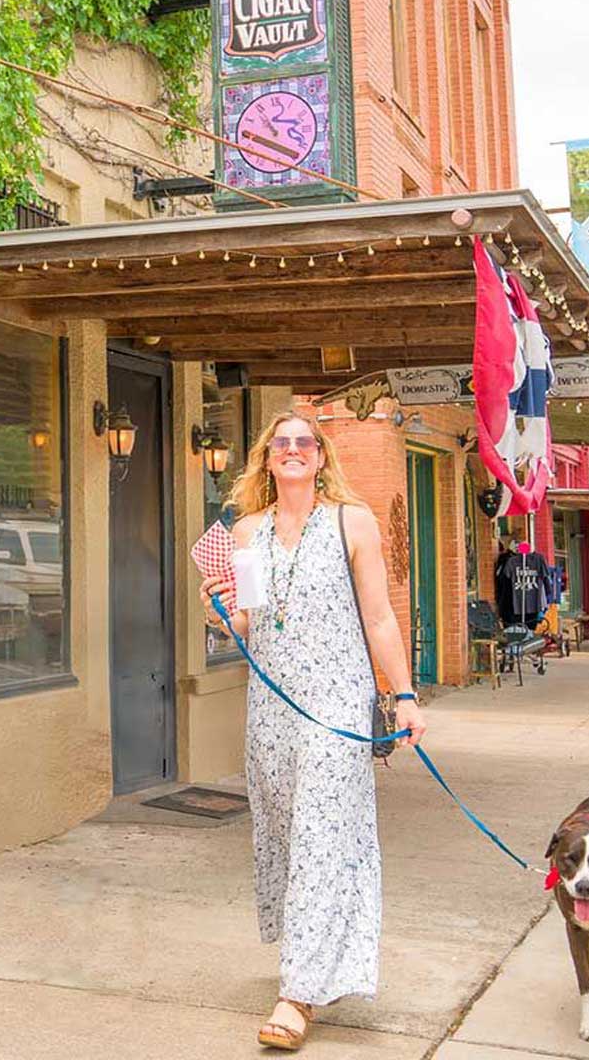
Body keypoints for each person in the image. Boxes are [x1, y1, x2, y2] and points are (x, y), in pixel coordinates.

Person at [200, 414, 425, 1051]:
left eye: (306, 442)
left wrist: (402, 695)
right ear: (268, 460)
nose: (294, 451)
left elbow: (379, 616)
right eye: (282, 443)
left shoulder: (352, 521)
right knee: (286, 833)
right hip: (271, 708)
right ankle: (315, 961)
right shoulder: (246, 531)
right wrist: (218, 612)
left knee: (323, 837)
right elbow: (248, 621)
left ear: (321, 457)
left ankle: (295, 995)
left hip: (335, 705)